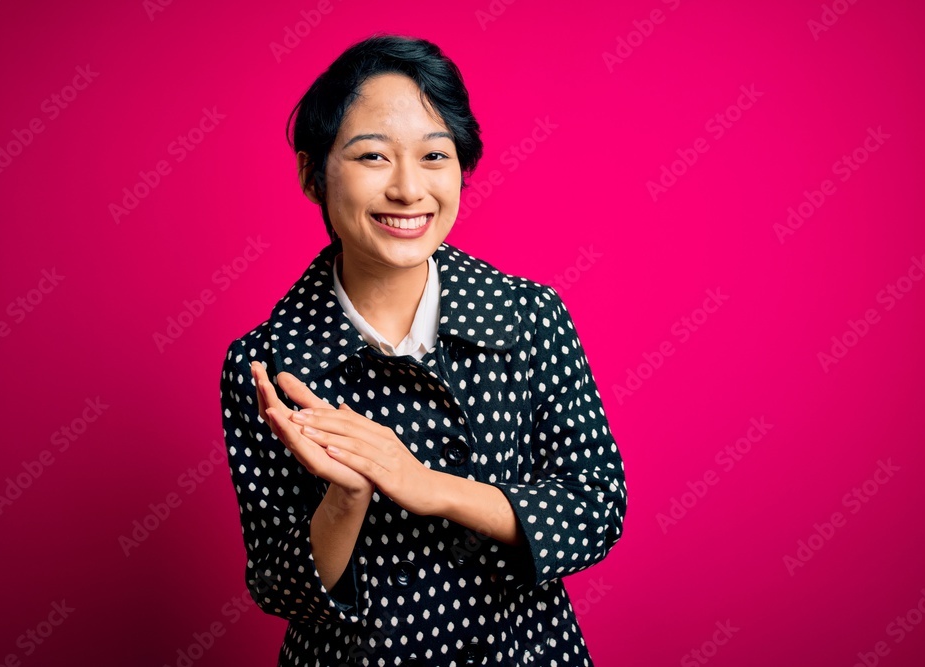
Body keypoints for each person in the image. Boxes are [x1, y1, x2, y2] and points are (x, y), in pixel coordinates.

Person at [219, 33, 627, 667]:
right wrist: (347, 496)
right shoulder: (269, 363)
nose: (409, 190)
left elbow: (595, 507)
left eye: (435, 155)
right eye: (373, 157)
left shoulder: (528, 314)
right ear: (311, 173)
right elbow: (280, 588)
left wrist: (424, 485)